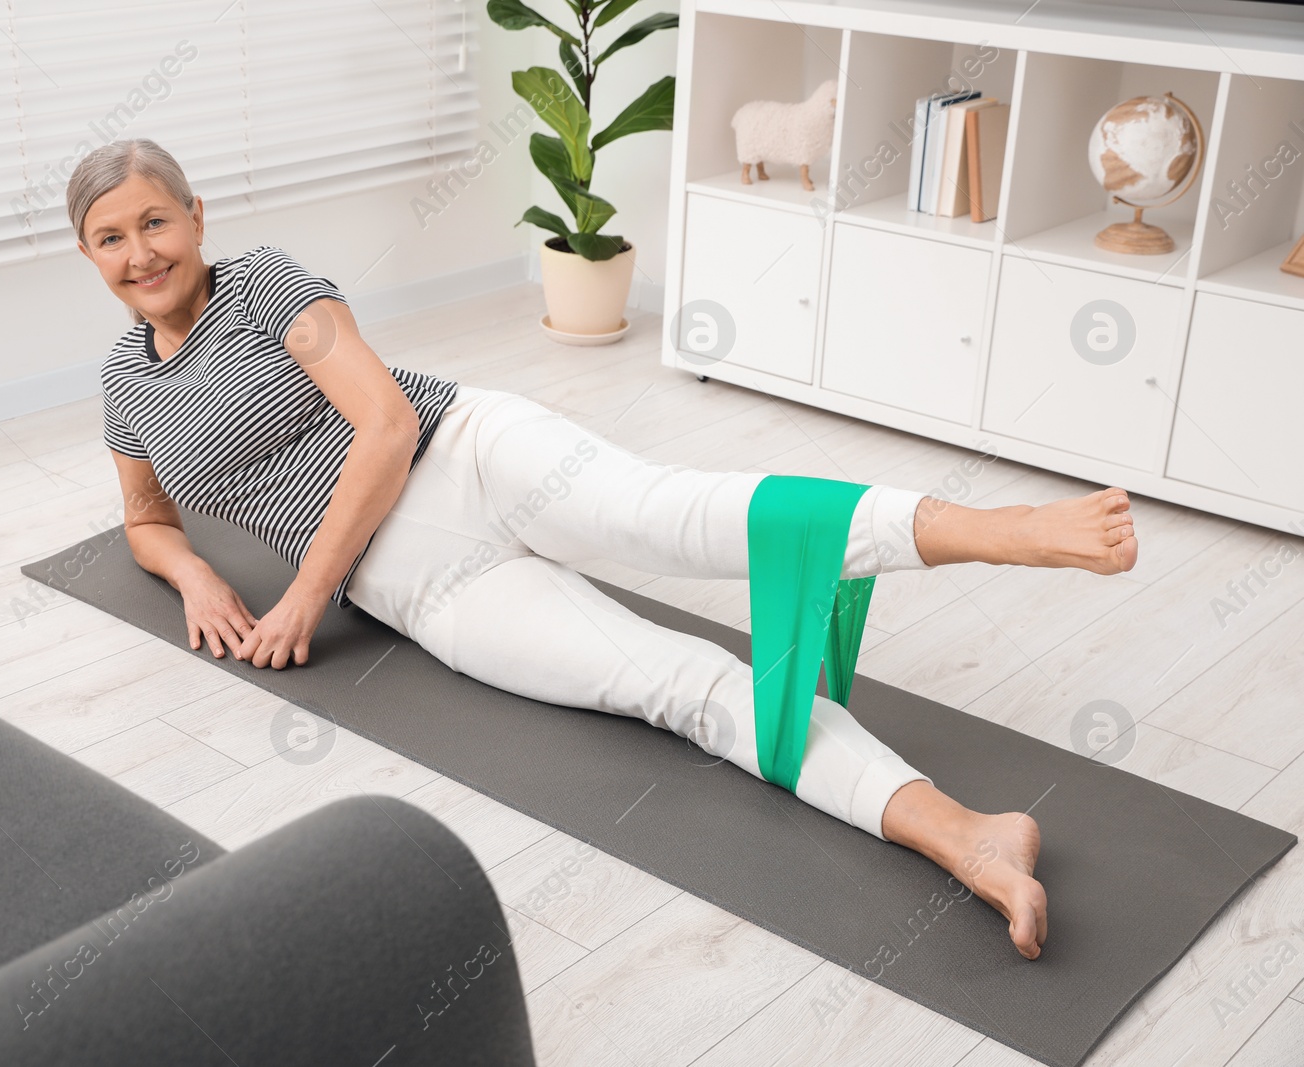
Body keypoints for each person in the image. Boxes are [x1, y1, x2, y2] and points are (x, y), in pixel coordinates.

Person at [70, 139, 1140, 963]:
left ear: (197, 214)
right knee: (676, 688)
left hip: (468, 455)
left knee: (682, 515)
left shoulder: (261, 284)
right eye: (111, 238)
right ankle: (969, 834)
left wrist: (302, 594)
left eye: (156, 221)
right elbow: (145, 514)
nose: (140, 253)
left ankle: (1005, 532)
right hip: (424, 586)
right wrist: (197, 572)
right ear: (89, 255)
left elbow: (387, 422)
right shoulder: (126, 382)